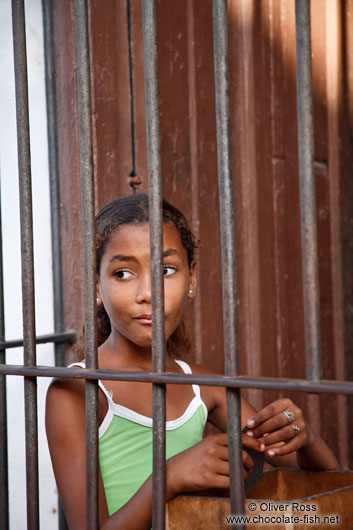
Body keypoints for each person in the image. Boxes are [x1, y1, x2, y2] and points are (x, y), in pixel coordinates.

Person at [46, 193, 337, 530]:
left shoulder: (202, 386)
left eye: (166, 270)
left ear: (192, 279)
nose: (148, 293)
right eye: (123, 273)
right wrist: (169, 478)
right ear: (97, 286)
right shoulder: (76, 390)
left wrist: (306, 438)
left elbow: (327, 490)